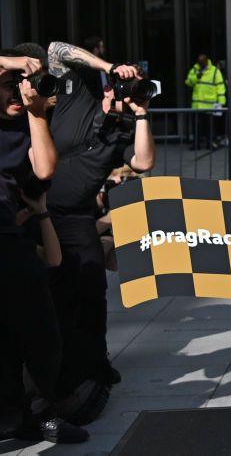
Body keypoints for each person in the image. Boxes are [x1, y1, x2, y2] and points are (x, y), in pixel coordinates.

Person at [43, 40, 156, 408]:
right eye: (127, 84)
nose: (127, 91)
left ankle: (94, 365)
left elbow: (143, 162)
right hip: (39, 210)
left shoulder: (122, 130)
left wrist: (141, 113)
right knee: (50, 295)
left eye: (134, 85)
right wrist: (109, 68)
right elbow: (56, 50)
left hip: (76, 218)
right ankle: (47, 369)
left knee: (92, 290)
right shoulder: (80, 92)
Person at [0, 51, 87, 444]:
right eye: (7, 86)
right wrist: (16, 61)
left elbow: (45, 169)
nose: (16, 92)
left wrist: (36, 113)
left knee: (40, 333)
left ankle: (41, 413)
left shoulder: (23, 127)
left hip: (12, 243)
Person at [185, 53, 227, 149]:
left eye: (202, 63)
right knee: (196, 126)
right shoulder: (195, 69)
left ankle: (210, 143)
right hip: (197, 105)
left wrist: (221, 102)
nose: (201, 64)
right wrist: (197, 76)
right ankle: (196, 144)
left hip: (210, 104)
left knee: (210, 126)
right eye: (199, 63)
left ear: (206, 61)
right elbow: (188, 82)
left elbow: (220, 86)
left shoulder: (215, 71)